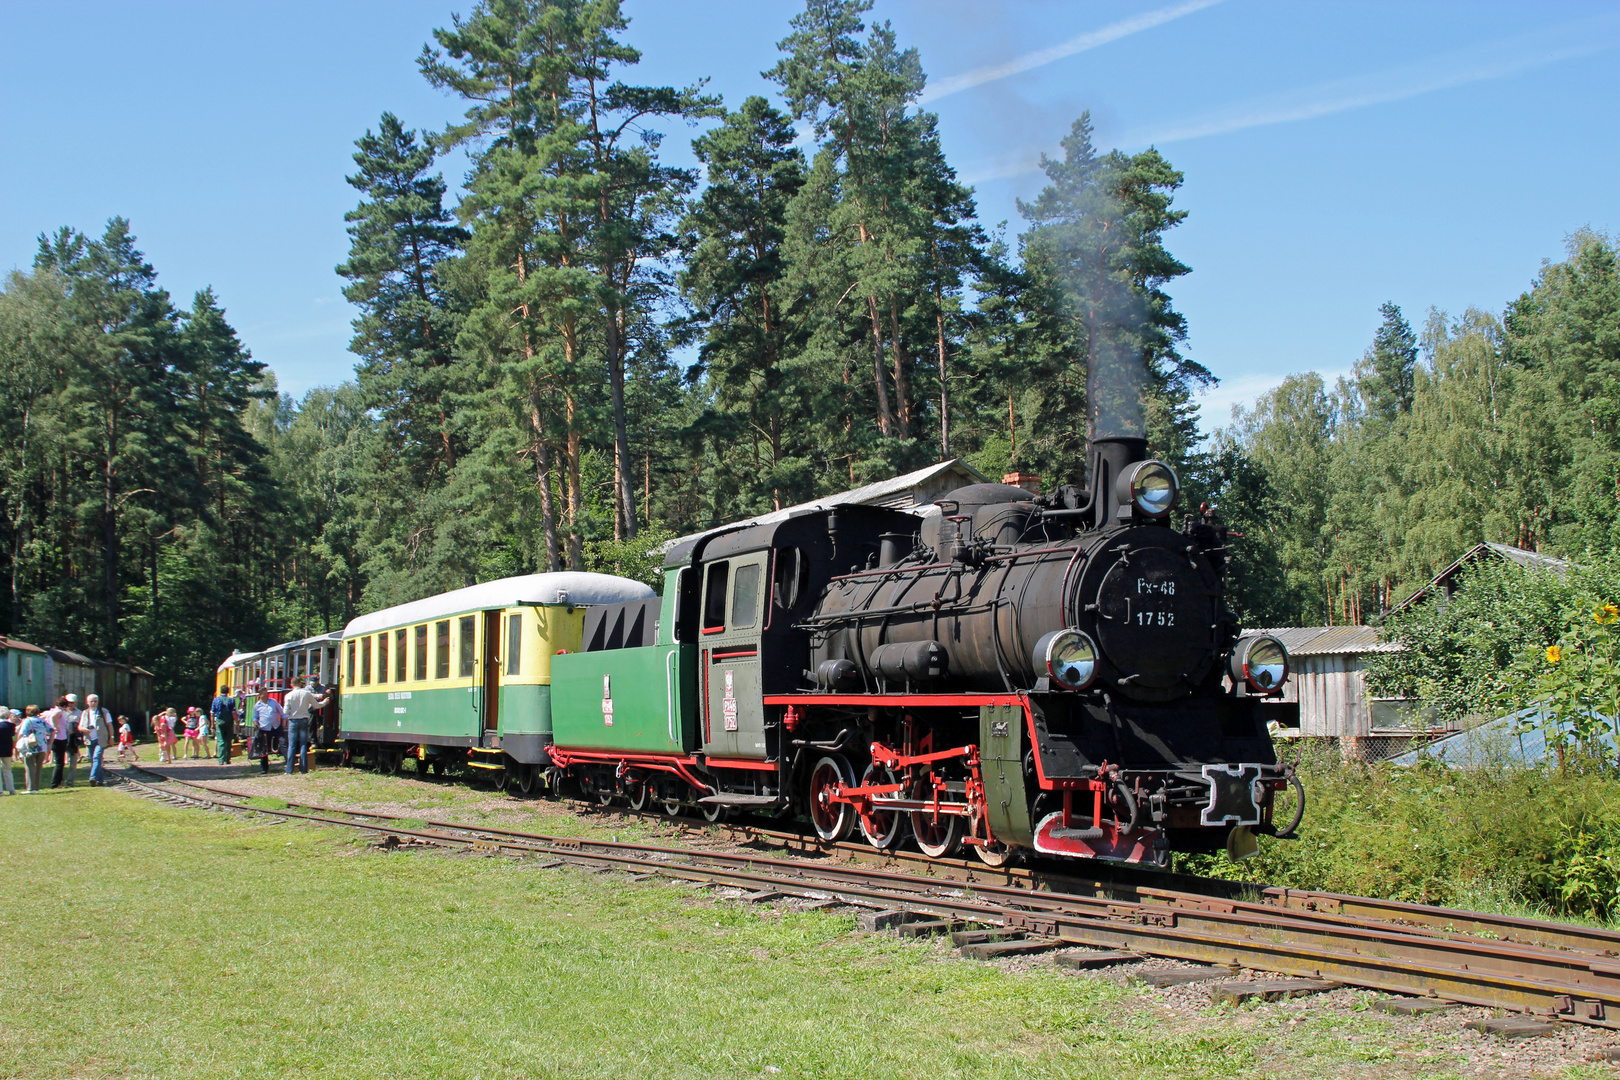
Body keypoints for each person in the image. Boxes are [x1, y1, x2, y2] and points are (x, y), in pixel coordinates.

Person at [280, 676, 330, 776]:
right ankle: (303, 769)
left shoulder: (288, 696)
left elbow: (285, 712)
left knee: (292, 745)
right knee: (303, 745)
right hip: (304, 720)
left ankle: (289, 770)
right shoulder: (306, 693)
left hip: (293, 721)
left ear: (291, 684)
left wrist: (290, 713)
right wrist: (325, 702)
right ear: (300, 683)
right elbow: (316, 705)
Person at [78, 694, 113, 786]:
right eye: (91, 701)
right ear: (87, 702)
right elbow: (80, 726)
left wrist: (111, 737)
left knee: (96, 757)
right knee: (94, 760)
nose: (93, 703)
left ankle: (92, 777)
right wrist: (83, 729)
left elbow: (109, 725)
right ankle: (100, 780)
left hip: (100, 739)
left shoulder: (103, 712)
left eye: (95, 701)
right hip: (89, 739)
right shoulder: (85, 713)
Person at [18, 706, 51, 794]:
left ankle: (30, 788)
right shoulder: (42, 721)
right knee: (38, 767)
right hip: (42, 746)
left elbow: (22, 733)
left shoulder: (27, 721)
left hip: (31, 746)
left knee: (30, 767)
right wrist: (49, 742)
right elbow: (51, 730)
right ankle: (36, 787)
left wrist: (19, 744)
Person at [48, 695, 78, 788]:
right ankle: (55, 783)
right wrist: (56, 727)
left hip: (58, 738)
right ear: (64, 706)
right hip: (59, 738)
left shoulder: (53, 710)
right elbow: (54, 717)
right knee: (59, 763)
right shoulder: (59, 711)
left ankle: (59, 781)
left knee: (60, 761)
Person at [251, 692, 284, 775]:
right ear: (260, 695)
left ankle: (290, 764)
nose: (266, 695)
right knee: (264, 749)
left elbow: (281, 711)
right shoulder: (257, 705)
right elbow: (254, 718)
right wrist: (256, 725)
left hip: (276, 726)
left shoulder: (273, 702)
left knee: (283, 743)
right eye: (264, 694)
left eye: (266, 693)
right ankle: (264, 769)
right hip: (264, 728)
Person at [210, 684, 236, 765]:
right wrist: (237, 723)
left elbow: (212, 713)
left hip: (219, 721)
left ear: (220, 691)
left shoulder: (216, 700)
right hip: (229, 722)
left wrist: (212, 724)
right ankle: (227, 759)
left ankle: (221, 760)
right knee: (228, 740)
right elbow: (234, 713)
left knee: (220, 740)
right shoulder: (231, 700)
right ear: (228, 691)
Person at [0, 709, 16, 796]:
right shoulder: (11, 726)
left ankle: (0, 791)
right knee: (8, 770)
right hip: (7, 749)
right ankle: (11, 789)